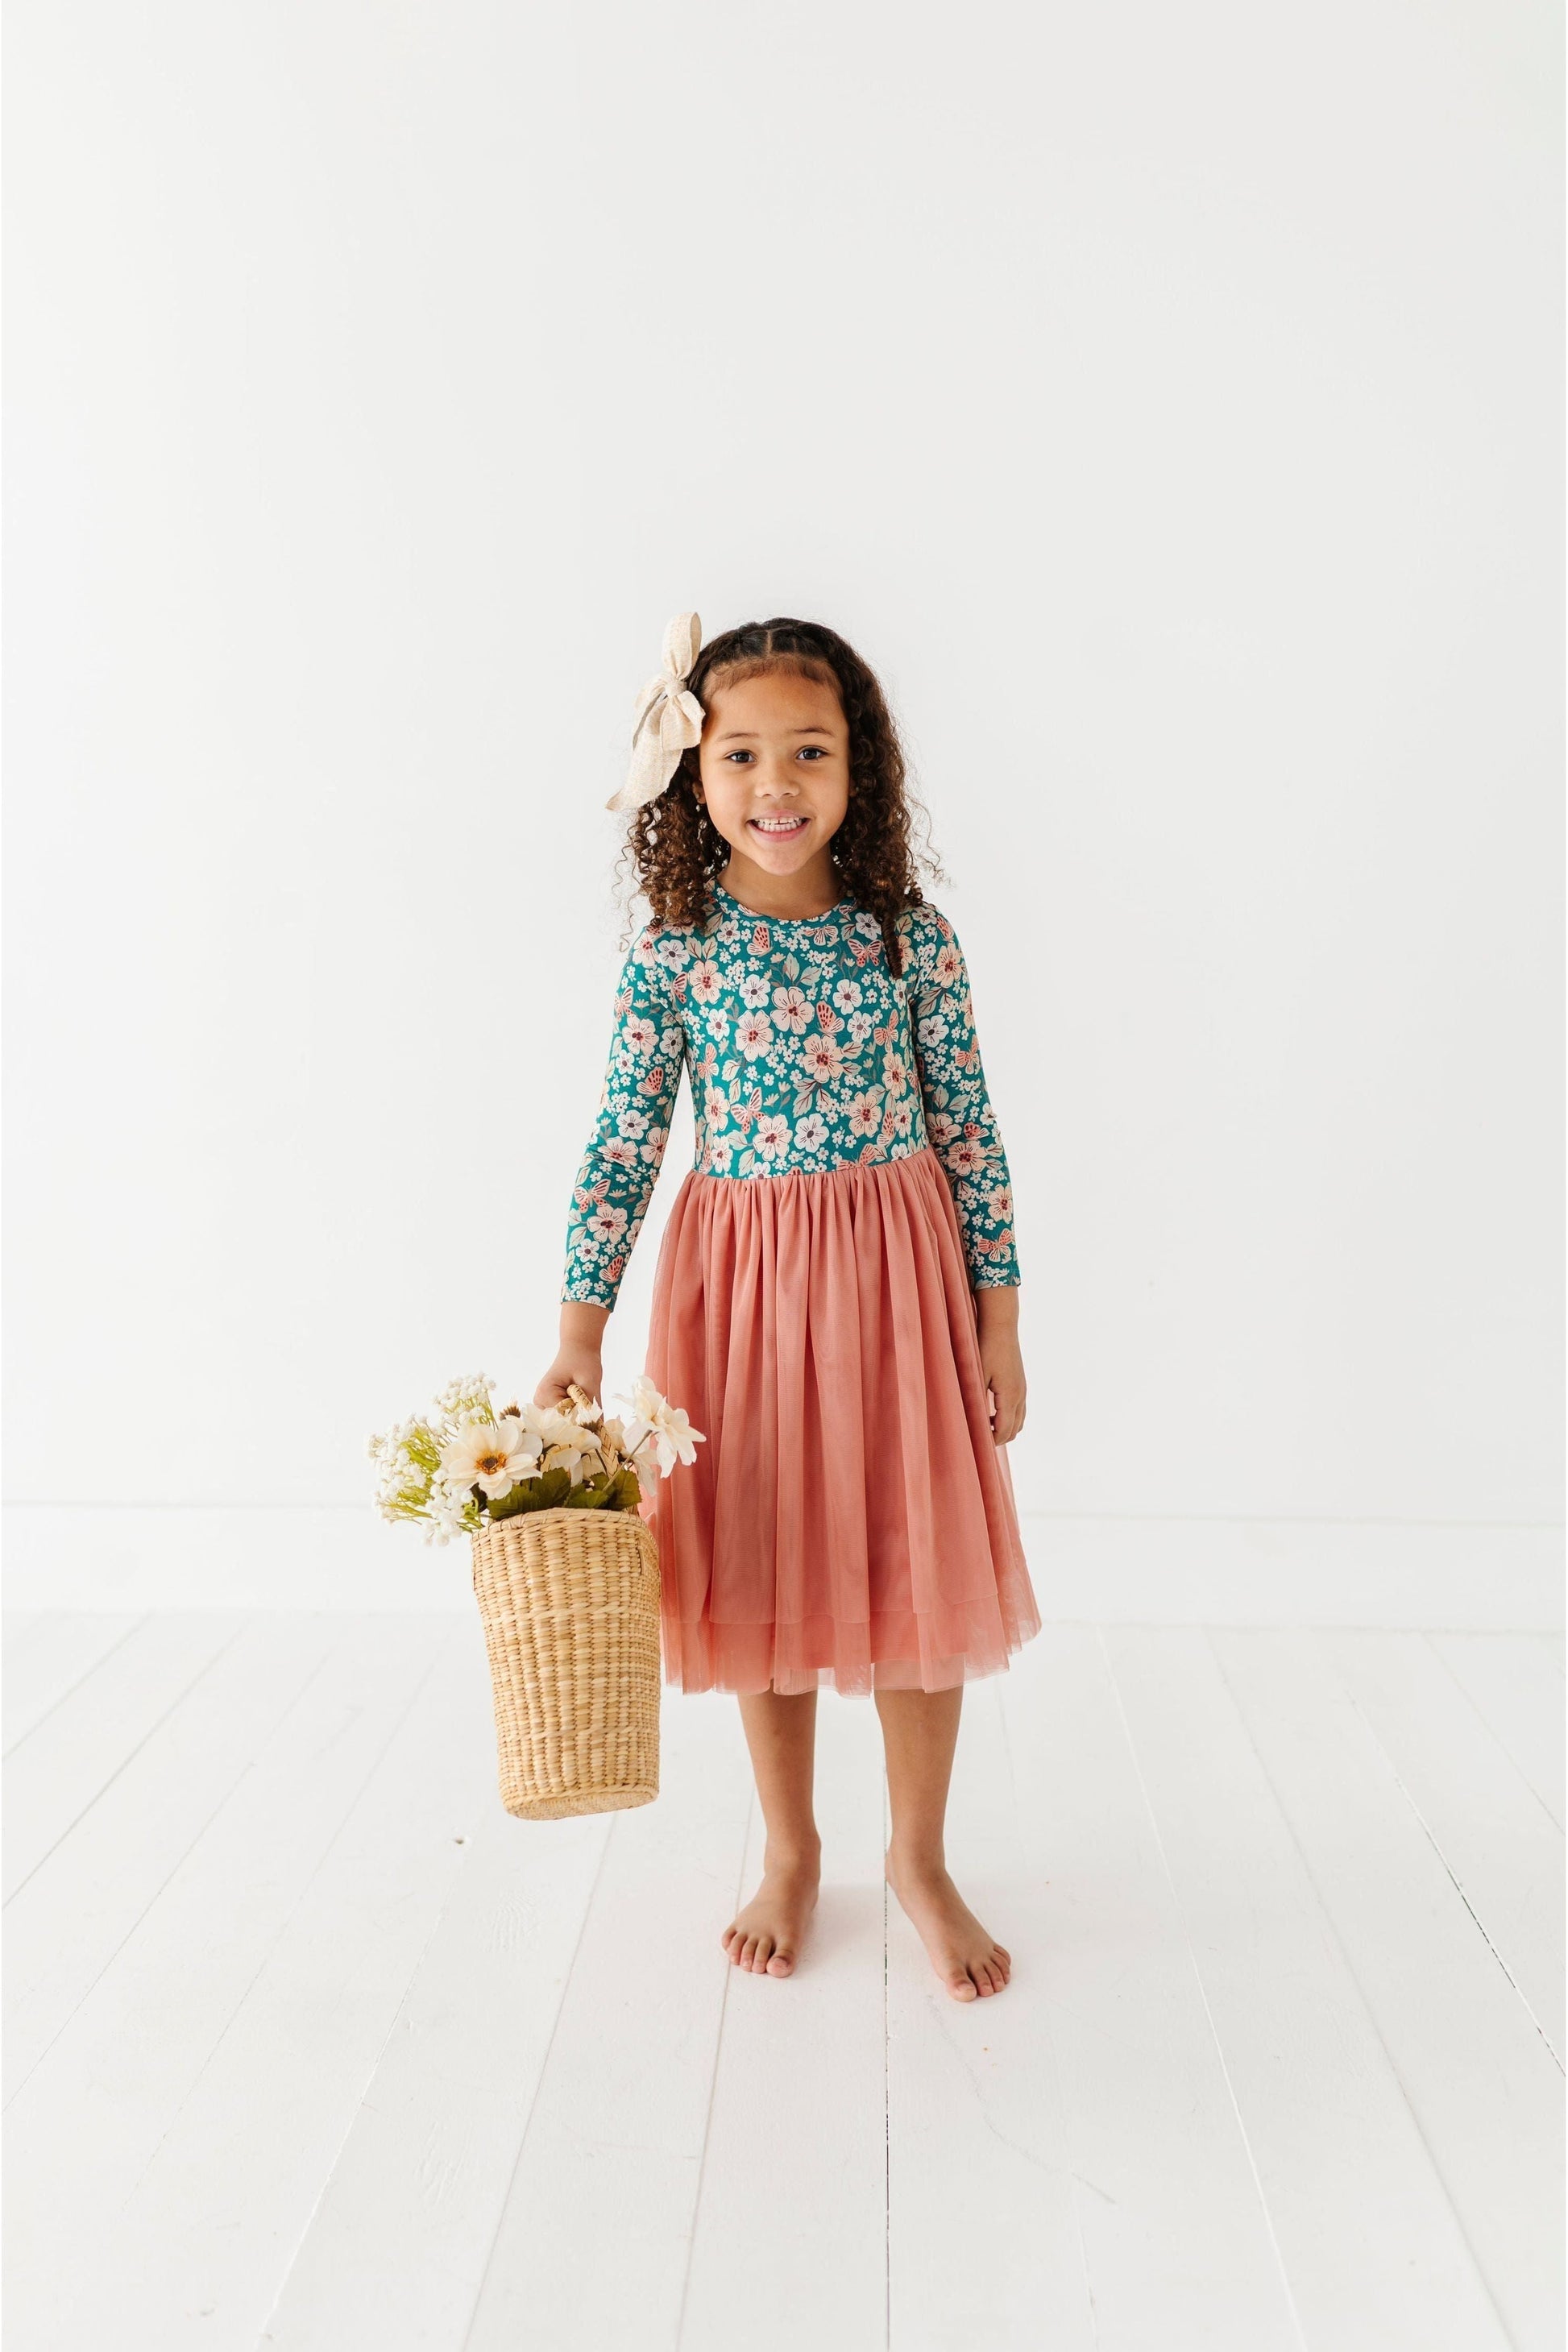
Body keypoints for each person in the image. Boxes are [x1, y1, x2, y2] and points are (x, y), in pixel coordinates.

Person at [536, 613, 1042, 2001]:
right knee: (759, 1566)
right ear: (690, 776)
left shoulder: (905, 941)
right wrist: (578, 1334)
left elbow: (971, 1132)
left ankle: (919, 1860)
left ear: (857, 768)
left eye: (809, 751)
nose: (775, 783)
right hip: (742, 1301)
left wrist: (998, 1320)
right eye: (740, 754)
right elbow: (623, 1143)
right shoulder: (675, 955)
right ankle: (790, 1848)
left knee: (912, 1563)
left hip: (897, 1289)